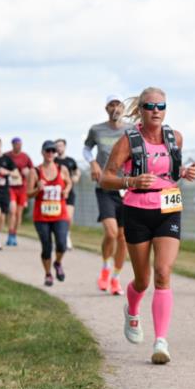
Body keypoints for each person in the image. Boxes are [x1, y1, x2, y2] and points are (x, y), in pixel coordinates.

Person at [100, 86, 195, 364]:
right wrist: (130, 181)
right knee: (142, 280)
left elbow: (169, 172)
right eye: (150, 106)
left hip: (168, 209)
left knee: (163, 272)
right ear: (140, 110)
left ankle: (161, 342)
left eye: (161, 106)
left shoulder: (174, 137)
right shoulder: (128, 141)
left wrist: (184, 172)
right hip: (137, 211)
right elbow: (106, 178)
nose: (156, 111)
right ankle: (132, 310)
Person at [84, 96, 130, 296]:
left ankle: (116, 278)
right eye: (112, 104)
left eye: (118, 104)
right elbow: (86, 148)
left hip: (127, 188)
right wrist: (93, 163)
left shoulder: (131, 130)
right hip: (105, 187)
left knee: (124, 237)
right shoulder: (97, 129)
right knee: (111, 233)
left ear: (123, 108)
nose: (115, 108)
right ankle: (105, 268)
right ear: (106, 108)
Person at [26, 140, 72, 286]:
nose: (50, 153)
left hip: (60, 215)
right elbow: (28, 193)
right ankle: (48, 274)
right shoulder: (35, 172)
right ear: (42, 152)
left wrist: (66, 190)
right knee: (46, 246)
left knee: (61, 244)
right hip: (41, 216)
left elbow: (69, 182)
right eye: (48, 151)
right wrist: (37, 189)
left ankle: (57, 263)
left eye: (53, 151)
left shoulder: (62, 169)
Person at [5, 137, 33, 246]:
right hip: (10, 186)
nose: (18, 146)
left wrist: (28, 172)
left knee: (18, 213)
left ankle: (14, 235)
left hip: (22, 188)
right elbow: (0, 167)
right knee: (12, 210)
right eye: (16, 144)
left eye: (20, 144)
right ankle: (9, 233)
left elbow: (32, 171)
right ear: (12, 145)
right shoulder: (7, 156)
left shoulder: (25, 157)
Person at [55, 138, 80, 250]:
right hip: (57, 193)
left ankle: (66, 236)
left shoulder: (70, 161)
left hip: (69, 192)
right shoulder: (54, 161)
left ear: (64, 147)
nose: (59, 148)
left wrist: (76, 177)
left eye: (61, 145)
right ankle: (58, 238)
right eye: (57, 146)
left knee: (68, 217)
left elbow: (76, 171)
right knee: (57, 217)